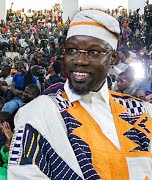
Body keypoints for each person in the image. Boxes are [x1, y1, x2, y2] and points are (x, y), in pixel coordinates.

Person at [8, 10, 152, 179]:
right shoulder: (38, 113)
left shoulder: (141, 111)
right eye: (72, 50)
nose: (79, 60)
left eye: (93, 52)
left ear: (112, 58)